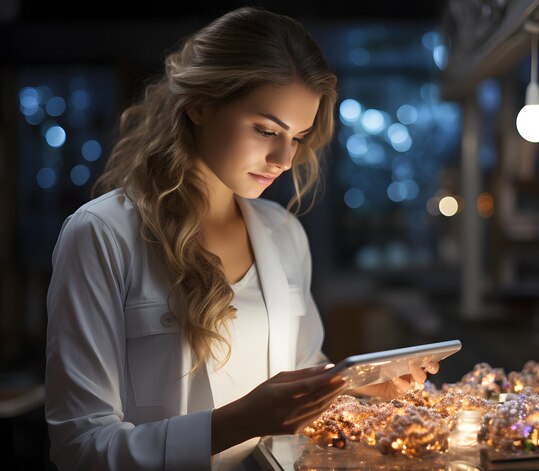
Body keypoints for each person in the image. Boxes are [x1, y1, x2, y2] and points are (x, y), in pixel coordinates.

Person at [45, 6, 437, 470]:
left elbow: (300, 367)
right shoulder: (101, 236)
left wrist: (355, 382)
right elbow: (79, 448)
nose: (284, 159)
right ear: (199, 104)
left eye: (298, 137)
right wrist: (239, 421)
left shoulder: (283, 233)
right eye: (266, 130)